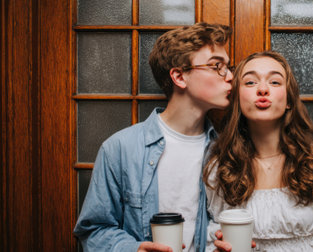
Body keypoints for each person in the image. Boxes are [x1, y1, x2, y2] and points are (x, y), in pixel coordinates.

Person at [74, 22, 234, 252]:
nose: (229, 76)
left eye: (229, 66)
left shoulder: (224, 150)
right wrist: (135, 250)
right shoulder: (121, 148)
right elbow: (93, 230)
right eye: (216, 66)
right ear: (180, 76)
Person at [204, 51, 313, 251]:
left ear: (289, 100)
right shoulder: (222, 168)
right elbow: (213, 239)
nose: (263, 89)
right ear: (237, 98)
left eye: (274, 82)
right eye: (250, 83)